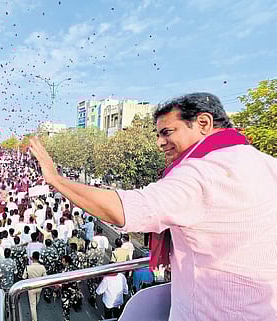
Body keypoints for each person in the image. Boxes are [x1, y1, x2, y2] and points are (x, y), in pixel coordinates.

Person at [29, 92, 277, 319]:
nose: (160, 143)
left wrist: (56, 179)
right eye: (158, 135)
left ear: (203, 123)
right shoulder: (267, 163)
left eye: (168, 132)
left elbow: (126, 209)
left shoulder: (200, 173)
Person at [22, 251, 46, 321]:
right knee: (37, 300)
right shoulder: (42, 267)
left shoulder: (28, 267)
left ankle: (34, 319)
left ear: (32, 258)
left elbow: (24, 277)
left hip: (31, 287)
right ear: (39, 258)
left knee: (32, 305)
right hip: (39, 287)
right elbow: (45, 277)